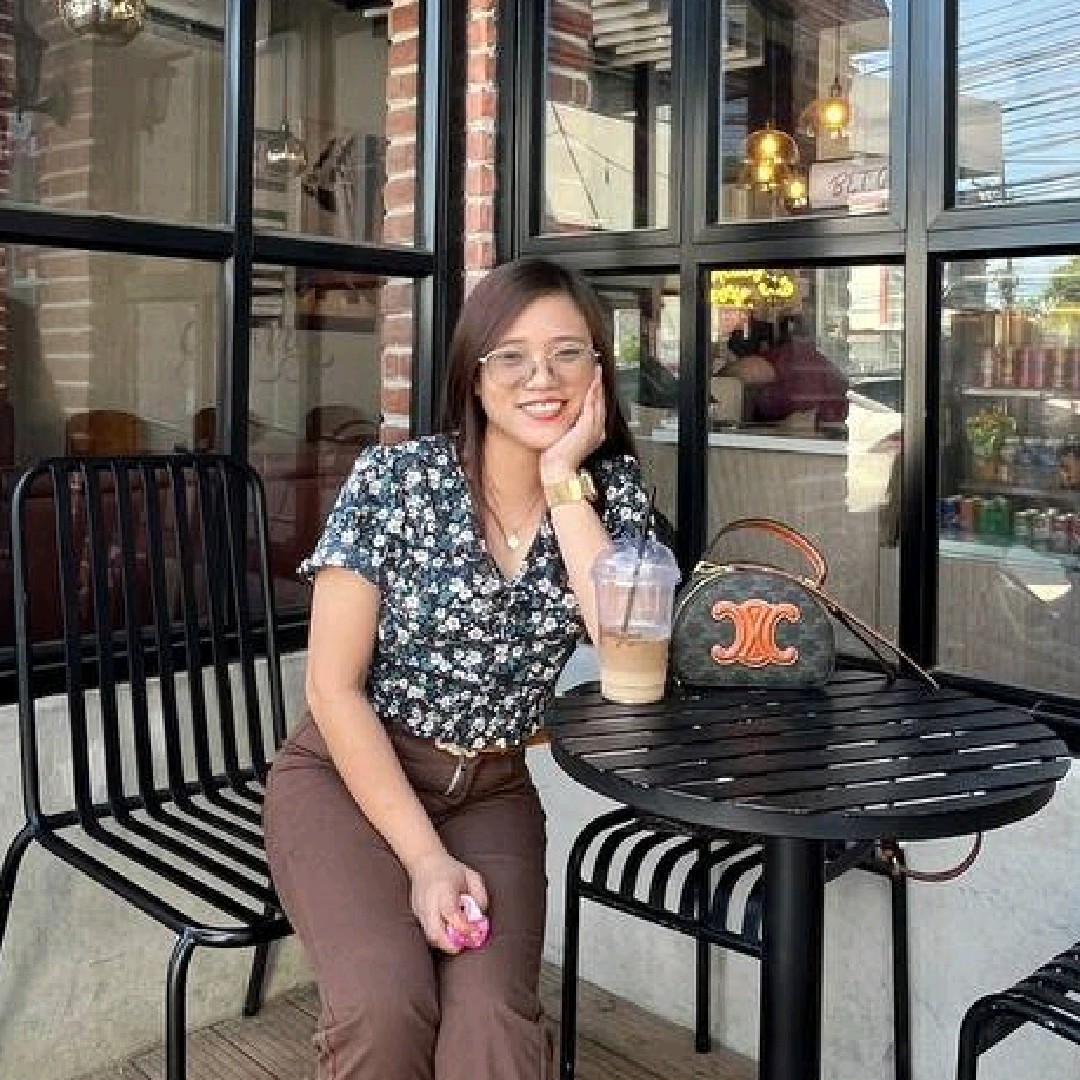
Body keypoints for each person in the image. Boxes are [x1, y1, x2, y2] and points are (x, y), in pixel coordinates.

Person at [263, 256, 652, 1080]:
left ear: (599, 370)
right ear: (473, 376)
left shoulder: (609, 493)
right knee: (384, 1006)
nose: (541, 378)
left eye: (567, 352)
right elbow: (331, 689)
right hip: (348, 779)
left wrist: (562, 480)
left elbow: (627, 655)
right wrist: (424, 861)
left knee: (493, 1027)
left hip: (491, 791)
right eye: (511, 356)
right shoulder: (397, 481)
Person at [748, 313, 849, 432]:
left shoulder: (789, 355)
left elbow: (750, 371)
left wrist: (727, 370)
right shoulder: (828, 368)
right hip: (825, 435)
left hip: (791, 436)